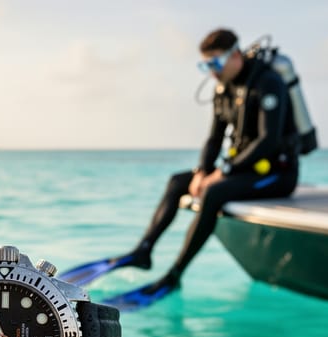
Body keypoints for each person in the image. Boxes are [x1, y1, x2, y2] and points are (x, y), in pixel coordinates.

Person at [112, 28, 302, 304]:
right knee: (178, 182)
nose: (212, 71)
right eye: (206, 65)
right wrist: (203, 170)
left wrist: (222, 172)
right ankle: (144, 251)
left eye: (215, 63)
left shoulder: (268, 82)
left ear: (235, 55)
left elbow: (268, 141)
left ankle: (175, 274)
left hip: (277, 174)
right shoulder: (223, 88)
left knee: (214, 194)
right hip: (242, 169)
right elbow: (214, 138)